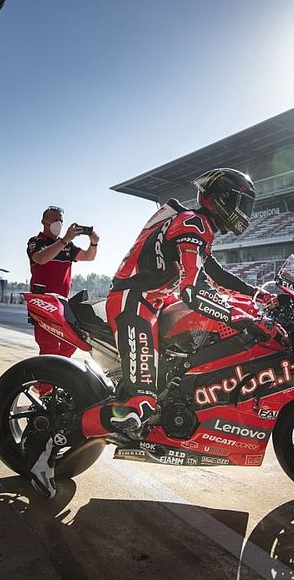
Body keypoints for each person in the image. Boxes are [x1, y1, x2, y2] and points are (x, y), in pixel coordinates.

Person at [24, 168, 276, 498]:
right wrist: (241, 318)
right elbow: (193, 290)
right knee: (139, 403)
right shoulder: (191, 223)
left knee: (164, 382)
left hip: (153, 306)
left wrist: (259, 296)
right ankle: (43, 450)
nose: (246, 212)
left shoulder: (199, 227)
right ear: (223, 200)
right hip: (135, 304)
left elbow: (216, 275)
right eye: (242, 203)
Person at [27, 206, 99, 357]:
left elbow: (88, 256)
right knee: (49, 349)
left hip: (62, 304)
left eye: (60, 220)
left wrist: (93, 243)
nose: (58, 224)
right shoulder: (36, 241)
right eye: (54, 220)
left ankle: (55, 378)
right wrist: (65, 240)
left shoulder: (68, 246)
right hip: (44, 303)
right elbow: (40, 258)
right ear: (44, 221)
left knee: (73, 343)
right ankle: (46, 379)